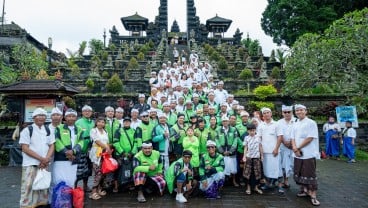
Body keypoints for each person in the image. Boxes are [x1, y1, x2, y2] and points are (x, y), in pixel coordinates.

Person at [19, 108, 55, 208]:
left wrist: (46, 159)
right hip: (30, 163)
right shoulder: (27, 130)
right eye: (38, 115)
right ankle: (26, 205)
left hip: (44, 164)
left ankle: (40, 204)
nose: (41, 117)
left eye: (43, 115)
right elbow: (25, 148)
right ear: (34, 117)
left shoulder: (48, 129)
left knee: (42, 186)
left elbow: (52, 145)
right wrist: (41, 159)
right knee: (28, 186)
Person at [291, 104, 320, 206]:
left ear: (306, 111)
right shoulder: (295, 123)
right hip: (297, 153)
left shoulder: (311, 123)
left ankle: (313, 195)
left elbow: (310, 138)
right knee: (299, 171)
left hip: (308, 153)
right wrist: (295, 148)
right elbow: (292, 138)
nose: (299, 112)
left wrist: (298, 148)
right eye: (297, 110)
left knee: (310, 173)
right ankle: (304, 190)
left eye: (301, 110)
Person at [53, 109, 86, 188]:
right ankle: (59, 199)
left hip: (74, 158)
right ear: (65, 117)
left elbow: (81, 142)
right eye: (69, 116)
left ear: (76, 118)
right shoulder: (59, 128)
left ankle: (69, 199)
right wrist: (66, 152)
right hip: (60, 159)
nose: (71, 118)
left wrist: (73, 151)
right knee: (59, 179)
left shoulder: (79, 129)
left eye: (73, 116)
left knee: (71, 180)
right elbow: (56, 141)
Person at [257, 107, 283, 194]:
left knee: (277, 169)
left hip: (274, 151)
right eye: (264, 113)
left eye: (268, 112)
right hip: (265, 151)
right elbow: (259, 138)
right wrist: (261, 152)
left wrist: (276, 148)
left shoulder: (277, 124)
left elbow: (280, 137)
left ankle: (280, 186)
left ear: (271, 114)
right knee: (266, 169)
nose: (266, 114)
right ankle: (267, 184)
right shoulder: (261, 125)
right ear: (262, 115)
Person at [89, 117, 111, 200]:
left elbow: (107, 142)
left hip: (104, 154)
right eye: (99, 122)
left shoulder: (105, 131)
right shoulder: (93, 130)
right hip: (96, 154)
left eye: (103, 122)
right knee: (97, 172)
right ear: (96, 122)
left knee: (103, 172)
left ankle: (99, 189)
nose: (101, 123)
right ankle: (93, 192)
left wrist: (108, 151)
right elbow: (97, 141)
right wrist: (107, 148)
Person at [113, 117, 137, 192]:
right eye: (125, 121)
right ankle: (117, 186)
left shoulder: (133, 131)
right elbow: (115, 142)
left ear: (130, 123)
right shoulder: (118, 130)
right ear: (123, 123)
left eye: (128, 121)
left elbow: (136, 142)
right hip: (120, 154)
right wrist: (122, 152)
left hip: (131, 154)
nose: (126, 123)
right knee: (118, 170)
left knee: (130, 169)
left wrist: (132, 152)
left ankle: (129, 184)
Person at [215, 115, 239, 187]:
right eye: (223, 121)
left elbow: (235, 140)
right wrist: (222, 151)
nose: (225, 122)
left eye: (226, 121)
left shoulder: (233, 129)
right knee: (223, 166)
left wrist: (231, 151)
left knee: (233, 167)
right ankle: (224, 181)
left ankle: (234, 181)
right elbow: (216, 141)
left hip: (231, 152)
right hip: (222, 152)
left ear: (229, 122)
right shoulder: (218, 130)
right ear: (222, 122)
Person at [75, 105, 95, 191]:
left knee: (88, 169)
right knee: (78, 168)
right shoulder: (78, 122)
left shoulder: (93, 122)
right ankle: (74, 186)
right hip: (81, 148)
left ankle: (85, 185)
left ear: (91, 113)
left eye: (89, 111)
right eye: (85, 111)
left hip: (91, 148)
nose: (87, 112)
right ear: (82, 112)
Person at [277, 105, 296, 189]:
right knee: (283, 164)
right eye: (285, 112)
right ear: (282, 113)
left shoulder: (296, 121)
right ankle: (284, 180)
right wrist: (284, 142)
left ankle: (298, 182)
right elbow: (277, 134)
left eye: (289, 112)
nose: (287, 114)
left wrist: (292, 143)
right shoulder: (279, 122)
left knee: (292, 164)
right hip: (283, 146)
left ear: (292, 112)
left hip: (294, 146)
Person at [242, 124, 263, 195]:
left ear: (255, 130)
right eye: (250, 131)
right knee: (248, 174)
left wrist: (262, 156)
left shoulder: (258, 138)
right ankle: (248, 188)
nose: (252, 132)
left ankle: (256, 187)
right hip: (249, 158)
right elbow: (245, 148)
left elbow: (260, 147)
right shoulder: (246, 138)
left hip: (256, 158)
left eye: (253, 130)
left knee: (257, 173)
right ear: (248, 131)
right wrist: (244, 156)